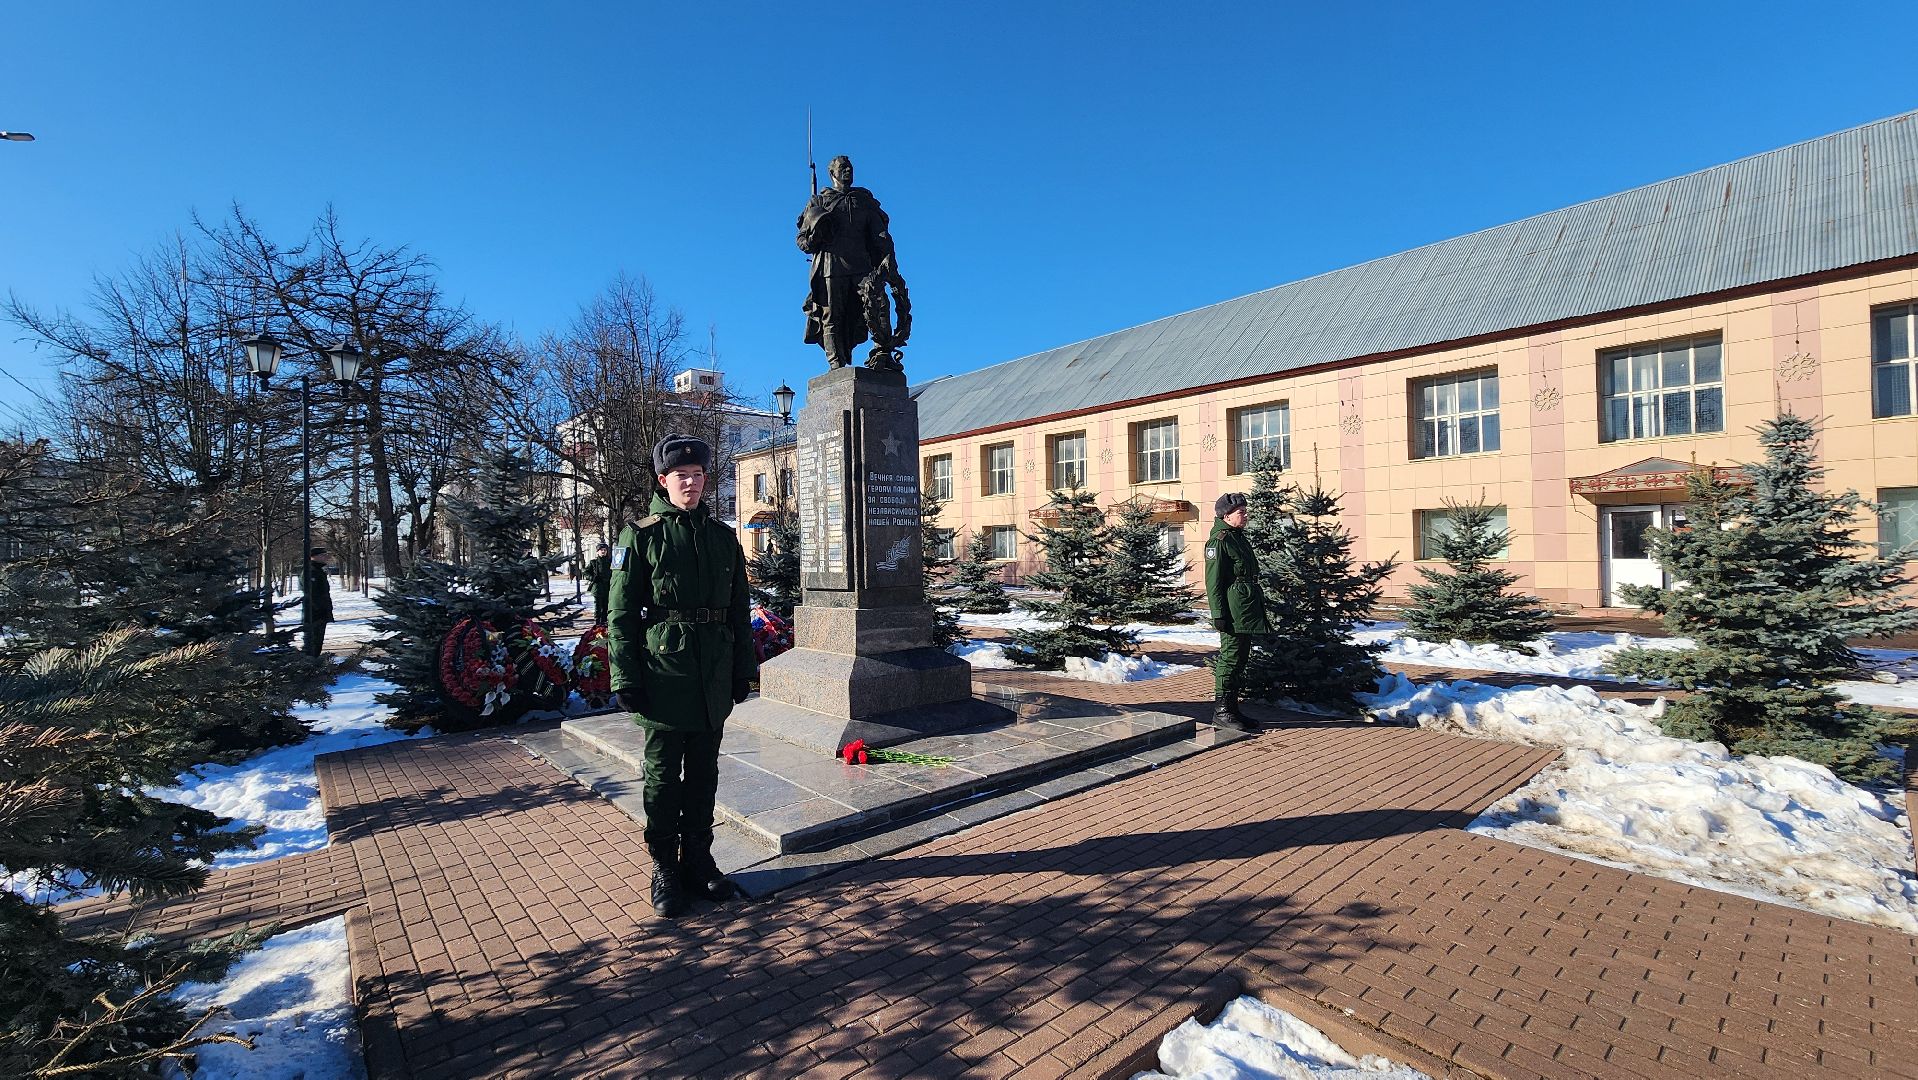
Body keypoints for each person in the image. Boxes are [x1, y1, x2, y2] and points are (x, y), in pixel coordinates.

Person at [606, 435, 758, 918]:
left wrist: (743, 671)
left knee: (704, 773)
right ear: (663, 481)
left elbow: (738, 611)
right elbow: (620, 615)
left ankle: (698, 859)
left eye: (697, 475)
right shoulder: (640, 537)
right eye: (680, 476)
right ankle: (664, 867)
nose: (690, 483)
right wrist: (625, 678)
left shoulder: (722, 538)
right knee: (663, 777)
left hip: (712, 676)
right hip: (664, 675)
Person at [796, 155, 896, 369]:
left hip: (862, 266)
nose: (848, 170)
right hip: (832, 267)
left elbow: (879, 233)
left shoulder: (864, 201)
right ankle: (836, 363)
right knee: (832, 314)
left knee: (879, 303)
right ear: (832, 173)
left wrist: (887, 252)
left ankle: (882, 352)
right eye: (843, 167)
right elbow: (802, 240)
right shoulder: (819, 202)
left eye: (850, 167)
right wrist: (815, 237)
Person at [1204, 493, 1267, 733]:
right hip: (1231, 610)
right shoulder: (1219, 541)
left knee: (1240, 657)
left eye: (1245, 511)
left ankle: (1232, 709)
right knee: (1230, 658)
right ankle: (1222, 712)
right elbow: (1214, 581)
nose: (1246, 515)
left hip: (1244, 607)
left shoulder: (1237, 538)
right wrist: (1218, 614)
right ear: (1226, 516)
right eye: (1241, 512)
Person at [301, 546, 335, 658]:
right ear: (313, 557)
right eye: (322, 555)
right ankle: (310, 664)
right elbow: (312, 593)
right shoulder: (311, 571)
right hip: (314, 613)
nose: (325, 557)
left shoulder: (318, 571)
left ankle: (313, 662)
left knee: (318, 642)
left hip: (320, 612)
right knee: (313, 643)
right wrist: (319, 608)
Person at [584, 542, 611, 622]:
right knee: (598, 606)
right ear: (597, 552)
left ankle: (604, 622)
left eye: (605, 550)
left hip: (608, 587)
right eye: (601, 550)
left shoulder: (610, 562)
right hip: (597, 587)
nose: (603, 551)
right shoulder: (593, 562)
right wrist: (592, 578)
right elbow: (585, 572)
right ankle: (597, 622)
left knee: (606, 606)